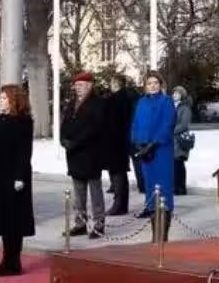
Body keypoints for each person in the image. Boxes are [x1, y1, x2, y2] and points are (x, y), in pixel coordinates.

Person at [0, 84, 35, 276]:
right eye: (1, 98)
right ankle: (6, 260)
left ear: (14, 100)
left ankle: (14, 262)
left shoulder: (22, 121)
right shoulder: (1, 119)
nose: (1, 101)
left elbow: (24, 151)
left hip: (14, 176)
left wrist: (19, 176)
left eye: (5, 98)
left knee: (14, 221)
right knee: (3, 220)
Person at [130, 70, 175, 241]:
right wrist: (137, 143)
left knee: (163, 190)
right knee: (150, 191)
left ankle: (162, 235)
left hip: (161, 151)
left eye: (155, 83)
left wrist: (153, 144)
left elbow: (167, 125)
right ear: (145, 86)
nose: (153, 86)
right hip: (145, 152)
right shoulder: (141, 102)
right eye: (149, 83)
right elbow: (135, 125)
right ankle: (155, 233)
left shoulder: (166, 101)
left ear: (160, 84)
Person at [61, 72, 107, 239]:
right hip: (74, 154)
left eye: (80, 85)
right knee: (78, 190)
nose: (77, 88)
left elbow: (94, 127)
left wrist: (76, 142)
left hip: (90, 152)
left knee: (95, 190)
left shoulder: (98, 103)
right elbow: (65, 123)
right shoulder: (71, 103)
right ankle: (80, 222)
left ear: (89, 85)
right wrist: (63, 139)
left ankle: (99, 223)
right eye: (76, 85)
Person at [104, 75, 133, 215]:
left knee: (117, 174)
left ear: (116, 84)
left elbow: (112, 121)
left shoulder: (116, 99)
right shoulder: (126, 98)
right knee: (119, 174)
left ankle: (119, 205)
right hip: (120, 141)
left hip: (115, 142)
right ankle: (121, 204)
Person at [171, 86, 193, 196]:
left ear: (182, 95)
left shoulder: (185, 108)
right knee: (173, 164)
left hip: (179, 139)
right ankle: (175, 186)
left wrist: (171, 130)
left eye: (177, 93)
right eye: (174, 93)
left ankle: (181, 187)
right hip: (171, 140)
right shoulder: (171, 106)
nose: (175, 95)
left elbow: (184, 125)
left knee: (178, 163)